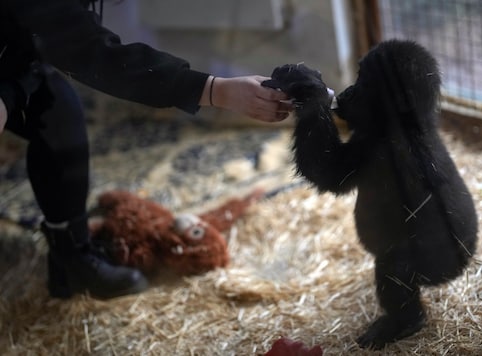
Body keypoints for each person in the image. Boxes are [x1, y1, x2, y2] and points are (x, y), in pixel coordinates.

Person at [0, 0, 292, 300]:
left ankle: (71, 256)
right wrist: (215, 90)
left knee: (59, 113)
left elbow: (75, 41)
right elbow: (94, 54)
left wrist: (215, 88)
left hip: (15, 53)